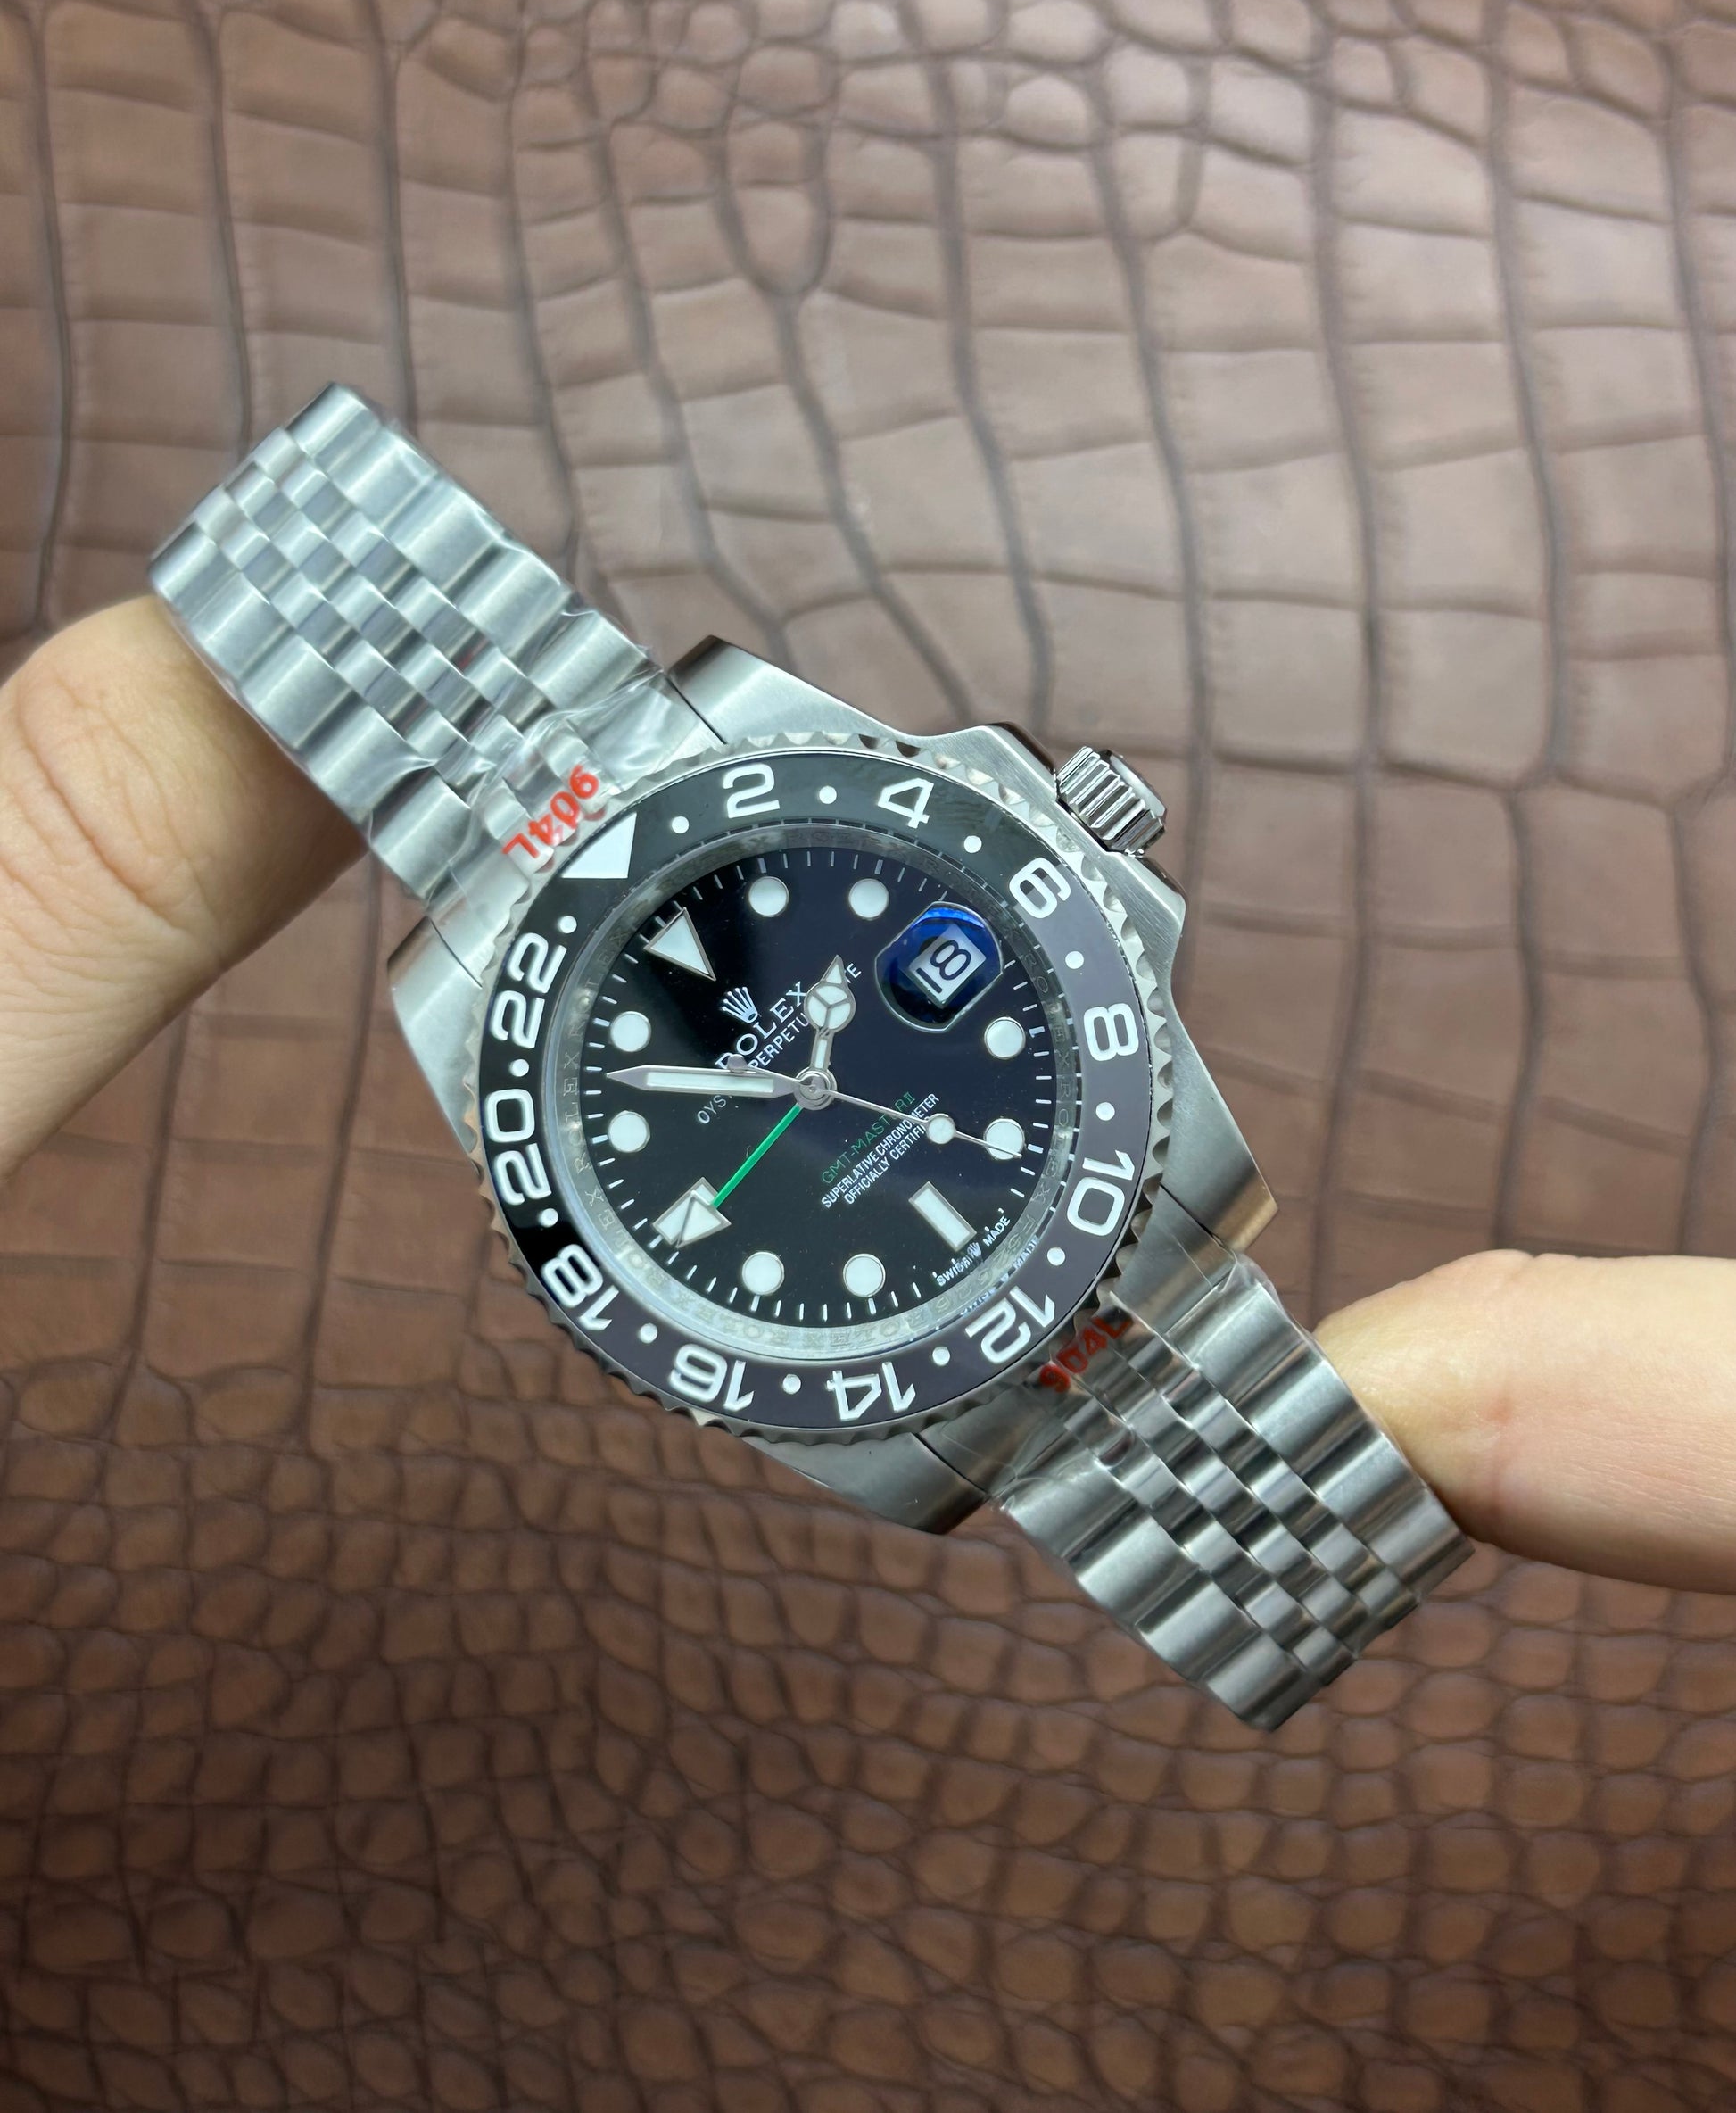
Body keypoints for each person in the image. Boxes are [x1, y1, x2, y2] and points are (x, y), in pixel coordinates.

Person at [4, 595, 1734, 1602]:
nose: (811, 1074)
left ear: (1068, 841)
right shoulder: (466, 1007)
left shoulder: (512, 991)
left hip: (980, 1242)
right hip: (942, 1276)